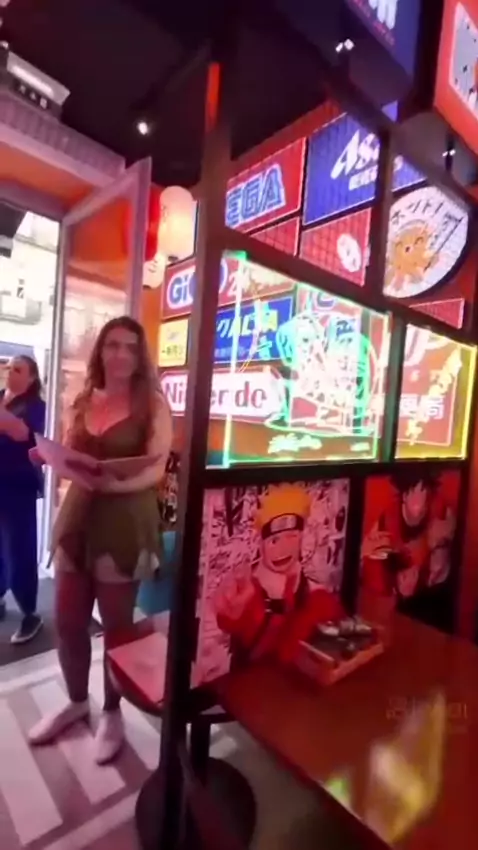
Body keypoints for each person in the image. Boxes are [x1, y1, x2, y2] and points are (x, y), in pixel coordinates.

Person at [28, 317, 172, 764]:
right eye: (113, 345)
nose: (121, 354)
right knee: (68, 620)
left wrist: (114, 484)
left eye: (130, 346)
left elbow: (157, 467)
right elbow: (69, 451)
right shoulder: (83, 397)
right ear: (101, 351)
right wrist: (49, 458)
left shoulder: (153, 403)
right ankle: (76, 702)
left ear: (140, 354)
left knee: (117, 627)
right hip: (79, 515)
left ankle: (112, 712)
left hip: (125, 517)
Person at [214, 484, 343, 666]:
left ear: (302, 538)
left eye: (291, 536)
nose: (283, 549)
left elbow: (342, 635)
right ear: (261, 544)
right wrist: (230, 613)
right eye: (274, 540)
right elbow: (232, 622)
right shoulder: (250, 591)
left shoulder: (317, 597)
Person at [0, 355, 45, 643]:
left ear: (31, 378)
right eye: (9, 367)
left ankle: (30, 613)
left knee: (20, 550)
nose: (10, 372)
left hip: (19, 487)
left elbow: (21, 434)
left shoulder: (35, 406)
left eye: (18, 369)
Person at [361, 471, 456, 600]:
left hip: (431, 595)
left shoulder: (443, 515)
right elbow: (363, 558)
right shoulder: (386, 520)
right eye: (413, 491)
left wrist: (441, 542)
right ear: (404, 495)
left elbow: (442, 570)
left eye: (423, 491)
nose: (420, 500)